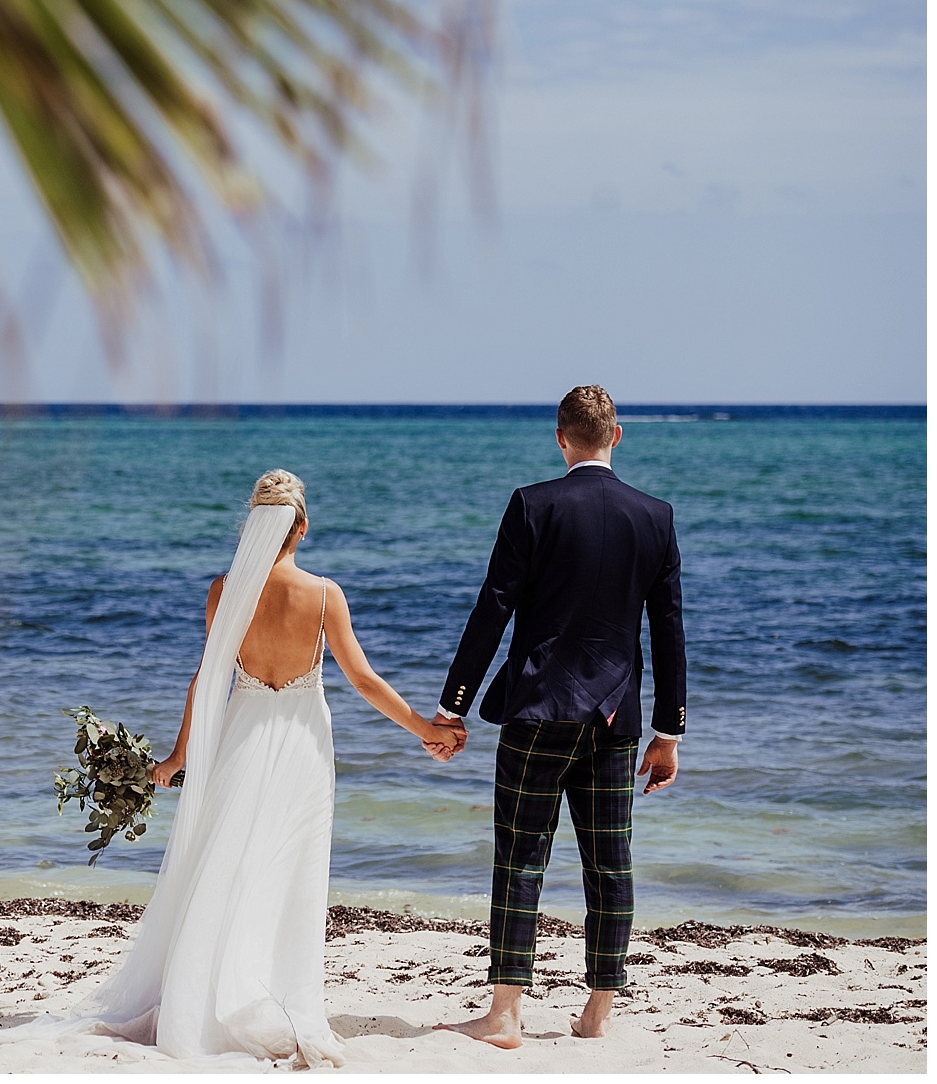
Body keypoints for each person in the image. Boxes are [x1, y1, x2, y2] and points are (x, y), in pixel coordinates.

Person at [84, 469, 462, 1066]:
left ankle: (205, 996)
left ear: (254, 523)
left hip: (240, 736)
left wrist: (178, 758)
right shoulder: (323, 594)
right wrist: (428, 731)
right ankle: (273, 992)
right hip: (303, 746)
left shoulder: (224, 591)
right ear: (302, 527)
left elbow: (205, 682)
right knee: (289, 868)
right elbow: (362, 679)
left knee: (226, 861)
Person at [430, 385, 687, 1048]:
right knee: (611, 863)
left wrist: (451, 705)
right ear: (617, 435)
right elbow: (668, 630)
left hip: (537, 712)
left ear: (560, 436)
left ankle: (506, 1012)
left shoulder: (532, 504)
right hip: (614, 721)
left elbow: (494, 607)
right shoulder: (654, 515)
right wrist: (669, 730)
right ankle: (598, 1011)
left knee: (520, 858)